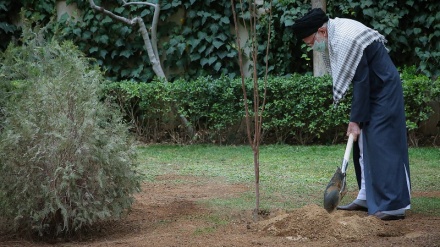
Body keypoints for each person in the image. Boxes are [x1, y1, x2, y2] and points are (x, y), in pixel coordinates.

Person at [290, 8, 411, 220]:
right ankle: (365, 196)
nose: (312, 47)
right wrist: (357, 121)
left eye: (311, 42)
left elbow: (362, 80)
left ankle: (392, 205)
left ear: (321, 32)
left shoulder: (345, 38)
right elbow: (360, 80)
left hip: (383, 88)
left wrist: (355, 120)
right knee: (363, 142)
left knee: (382, 142)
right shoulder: (335, 33)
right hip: (373, 88)